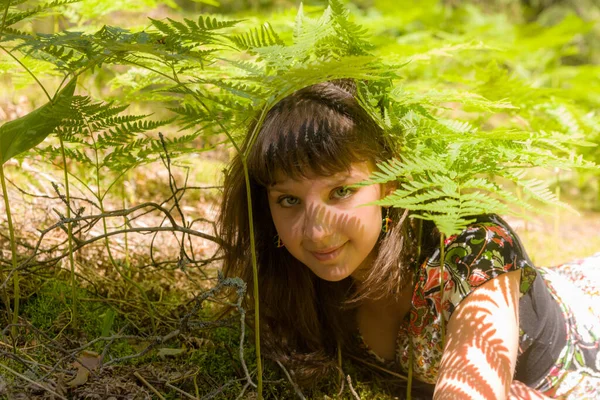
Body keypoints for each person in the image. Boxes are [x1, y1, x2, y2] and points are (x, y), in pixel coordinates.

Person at [217, 80, 600, 399]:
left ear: (389, 182)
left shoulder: (472, 250)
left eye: (340, 192)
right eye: (289, 200)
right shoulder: (284, 277)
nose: (316, 231)